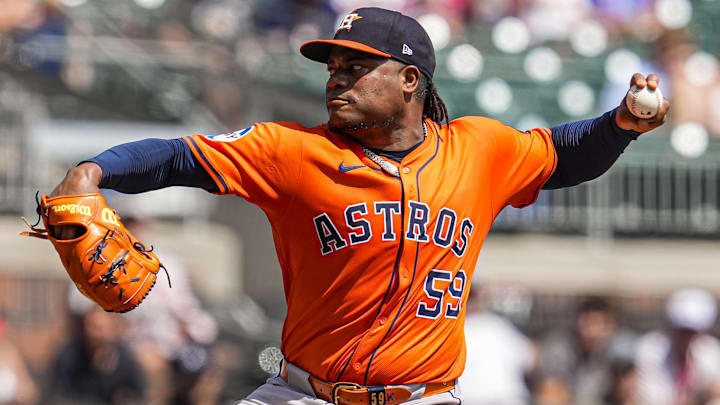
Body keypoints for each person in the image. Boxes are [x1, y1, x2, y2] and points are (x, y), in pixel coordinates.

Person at [47, 7, 669, 405]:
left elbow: (565, 153)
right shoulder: (291, 151)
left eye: (356, 65)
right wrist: (91, 170)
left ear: (409, 80)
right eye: (332, 66)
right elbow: (177, 156)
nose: (335, 77)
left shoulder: (478, 150)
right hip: (302, 394)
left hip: (422, 398)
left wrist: (621, 125)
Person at [533, 296, 637, 405]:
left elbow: (628, 394)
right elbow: (549, 393)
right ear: (579, 321)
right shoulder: (559, 348)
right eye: (590, 323)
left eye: (601, 324)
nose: (594, 331)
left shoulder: (616, 349)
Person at [635, 288, 720, 405]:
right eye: (682, 331)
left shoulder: (710, 350)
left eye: (693, 332)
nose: (687, 337)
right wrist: (701, 397)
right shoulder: (651, 349)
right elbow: (652, 400)